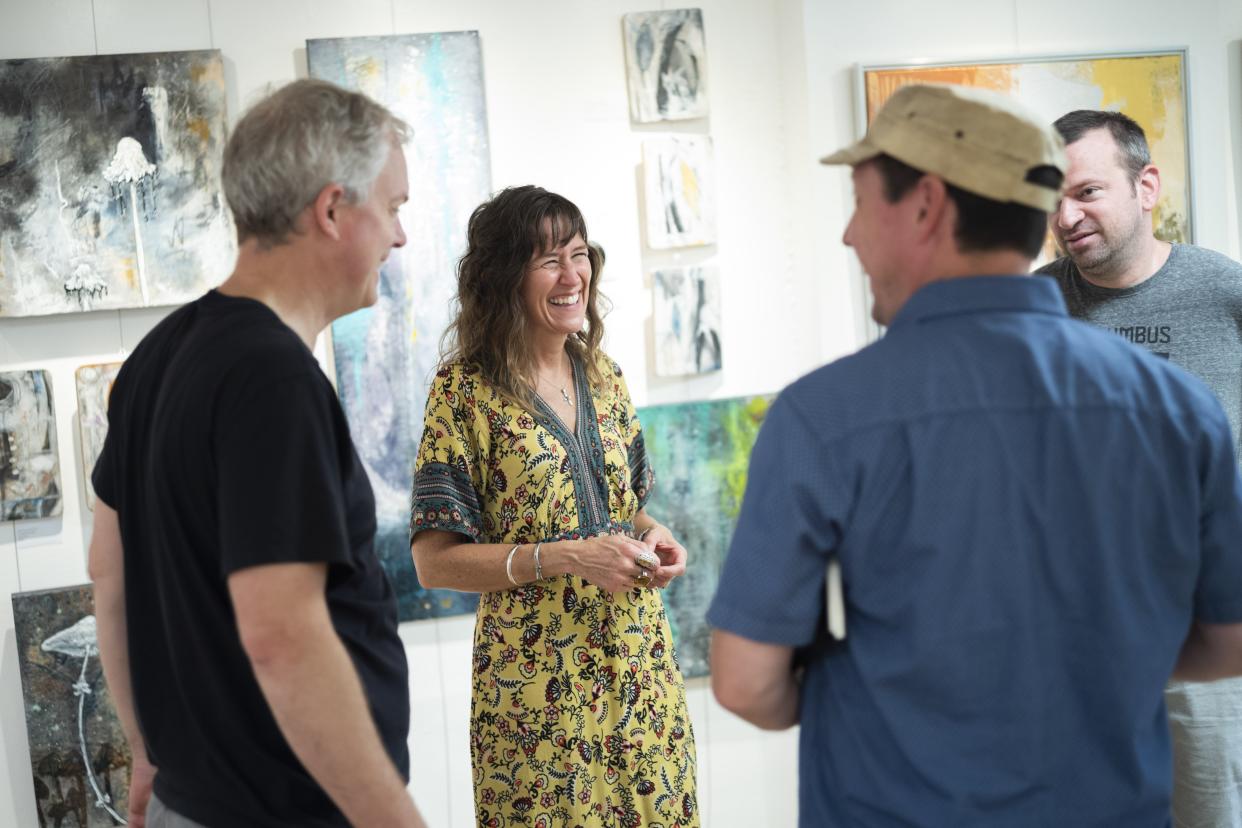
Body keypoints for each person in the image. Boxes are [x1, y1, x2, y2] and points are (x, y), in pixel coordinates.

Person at [707, 83, 1242, 826]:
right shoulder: (1180, 410)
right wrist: (1101, 658)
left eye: (861, 203)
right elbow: (1230, 638)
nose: (849, 236)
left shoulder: (823, 418)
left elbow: (743, 682)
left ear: (927, 205)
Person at [88, 79, 427, 828]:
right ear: (333, 210)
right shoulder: (270, 377)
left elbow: (108, 576)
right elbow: (281, 636)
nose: (400, 237)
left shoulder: (159, 355)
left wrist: (147, 750)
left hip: (193, 803)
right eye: (394, 207)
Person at [409, 185, 699, 827]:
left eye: (578, 253)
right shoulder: (463, 393)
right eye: (548, 260)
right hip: (536, 697)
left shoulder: (605, 376)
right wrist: (567, 557)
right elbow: (435, 564)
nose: (573, 276)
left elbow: (629, 510)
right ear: (505, 278)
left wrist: (659, 536)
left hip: (640, 679)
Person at [1038, 108, 1242, 827]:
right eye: (1052, 198)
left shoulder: (1225, 293)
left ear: (1146, 185)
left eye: (1087, 192)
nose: (1066, 216)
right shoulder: (1033, 308)